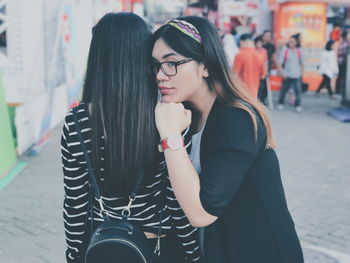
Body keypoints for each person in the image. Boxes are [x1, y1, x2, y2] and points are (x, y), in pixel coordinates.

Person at [151, 16, 304, 263]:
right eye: (156, 65)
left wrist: (170, 139)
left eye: (171, 63)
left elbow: (202, 213)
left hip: (260, 252)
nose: (160, 75)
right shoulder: (186, 115)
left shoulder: (236, 119)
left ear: (206, 66)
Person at [61, 13, 201, 263]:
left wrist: (73, 255)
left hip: (104, 247)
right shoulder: (169, 114)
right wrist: (193, 254)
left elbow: (75, 203)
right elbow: (178, 199)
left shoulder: (76, 121)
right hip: (158, 247)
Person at [233, 33, 265, 98]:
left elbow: (234, 75)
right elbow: (263, 76)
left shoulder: (239, 54)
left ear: (241, 42)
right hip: (254, 92)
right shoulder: (259, 55)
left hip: (241, 91)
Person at [277, 35, 304, 112]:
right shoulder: (285, 50)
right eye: (290, 41)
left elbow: (302, 63)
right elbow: (279, 63)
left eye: (293, 41)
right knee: (283, 90)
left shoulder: (299, 51)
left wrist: (301, 73)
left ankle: (298, 105)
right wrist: (282, 73)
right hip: (287, 75)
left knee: (298, 91)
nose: (291, 43)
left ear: (296, 42)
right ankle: (280, 103)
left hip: (297, 75)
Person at [255, 35, 268, 104]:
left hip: (262, 72)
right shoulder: (253, 50)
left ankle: (260, 100)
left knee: (261, 87)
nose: (259, 44)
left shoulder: (264, 51)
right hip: (254, 72)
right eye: (258, 43)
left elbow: (265, 62)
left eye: (260, 43)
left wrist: (265, 71)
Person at [336, 30, 350, 95]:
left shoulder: (344, 42)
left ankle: (339, 89)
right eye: (348, 35)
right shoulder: (345, 43)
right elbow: (344, 53)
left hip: (342, 62)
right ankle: (338, 90)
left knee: (341, 76)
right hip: (343, 62)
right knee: (341, 76)